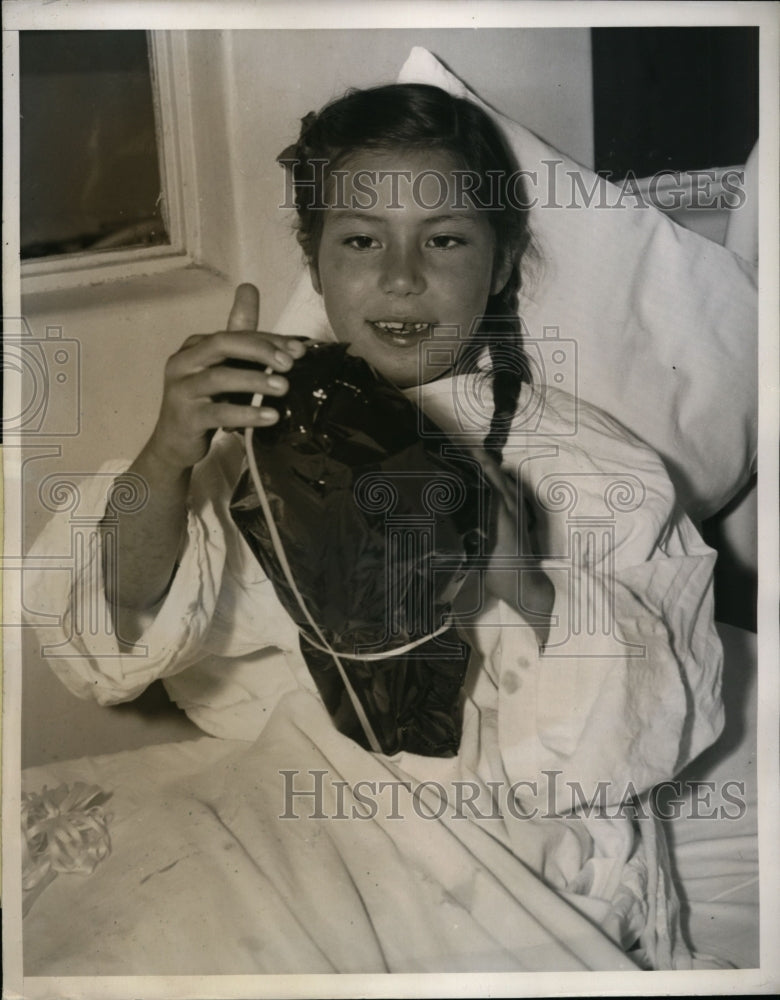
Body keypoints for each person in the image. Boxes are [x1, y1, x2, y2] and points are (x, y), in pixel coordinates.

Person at [26, 83, 723, 968]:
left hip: (512, 840)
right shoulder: (248, 442)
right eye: (361, 240)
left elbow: (654, 727)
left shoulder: (595, 470)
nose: (402, 276)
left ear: (503, 263)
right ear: (315, 266)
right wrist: (165, 456)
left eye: (445, 240)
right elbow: (102, 641)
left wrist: (520, 579)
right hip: (290, 810)